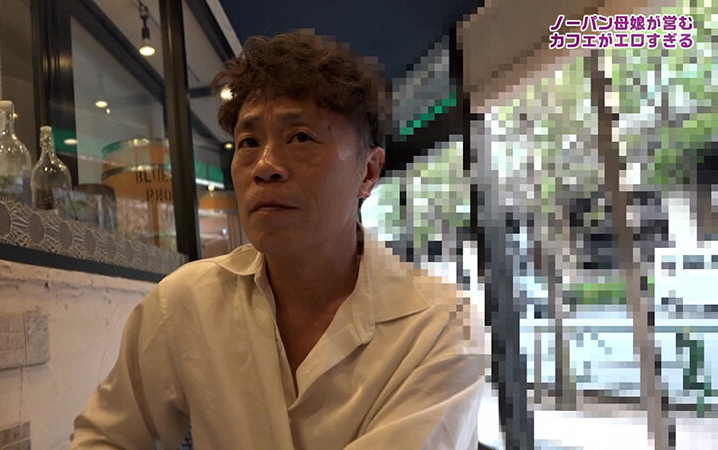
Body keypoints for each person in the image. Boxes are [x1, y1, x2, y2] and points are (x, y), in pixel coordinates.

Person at [70, 31, 484, 449]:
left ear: (368, 172)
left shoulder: (440, 325)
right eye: (249, 142)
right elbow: (105, 437)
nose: (265, 166)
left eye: (301, 137)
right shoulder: (185, 301)